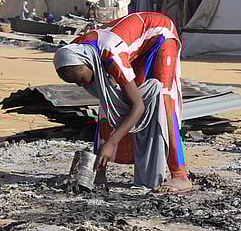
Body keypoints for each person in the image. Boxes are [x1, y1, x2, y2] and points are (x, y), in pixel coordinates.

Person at [53, 12, 191, 193]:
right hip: (134, 46)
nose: (81, 85)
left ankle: (180, 174)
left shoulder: (111, 54)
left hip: (160, 37)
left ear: (83, 65)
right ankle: (99, 170)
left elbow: (138, 106)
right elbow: (108, 102)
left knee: (164, 100)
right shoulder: (76, 49)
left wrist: (111, 142)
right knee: (109, 100)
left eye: (80, 79)